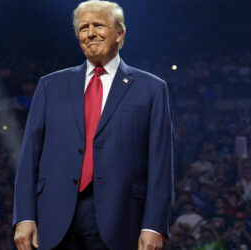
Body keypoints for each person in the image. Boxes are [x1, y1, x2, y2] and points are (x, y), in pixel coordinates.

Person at [13, 0, 174, 249]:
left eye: (98, 25)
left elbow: (161, 163)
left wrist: (153, 225)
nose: (90, 33)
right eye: (83, 28)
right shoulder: (50, 86)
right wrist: (24, 216)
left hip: (122, 218)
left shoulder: (151, 89)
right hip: (54, 216)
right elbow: (29, 157)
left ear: (119, 33)